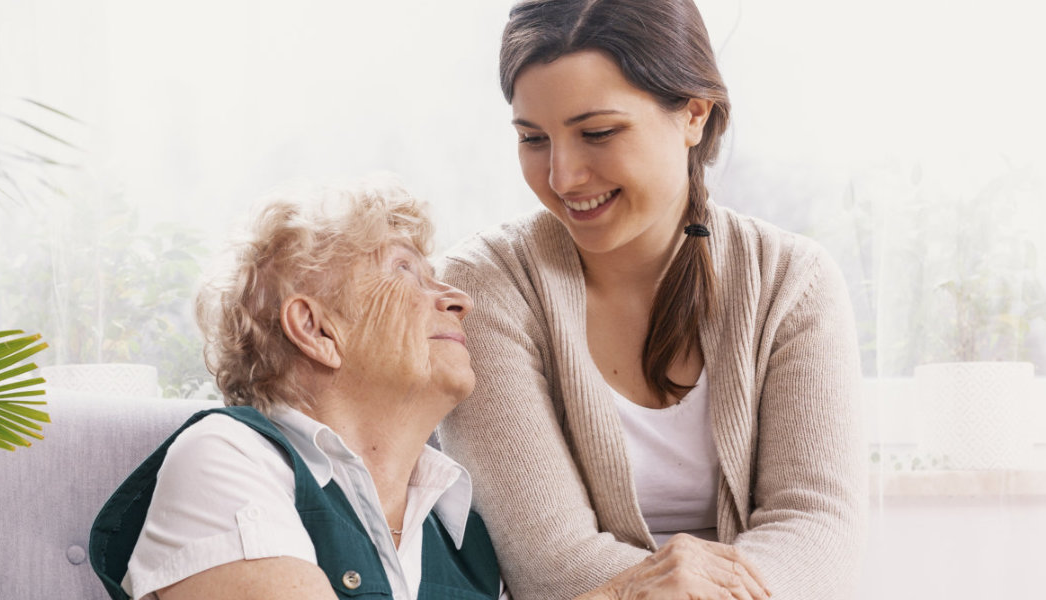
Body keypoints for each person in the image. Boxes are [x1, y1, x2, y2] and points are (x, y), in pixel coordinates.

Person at [436, 0, 866, 598]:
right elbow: (546, 559)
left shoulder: (793, 280)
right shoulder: (483, 289)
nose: (562, 178)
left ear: (693, 114)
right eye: (534, 139)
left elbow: (818, 529)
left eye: (598, 133)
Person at [89, 180, 504, 600]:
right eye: (403, 269)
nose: (459, 300)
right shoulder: (226, 454)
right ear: (315, 329)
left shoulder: (469, 537)